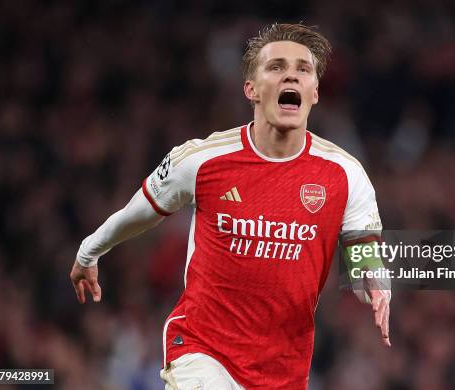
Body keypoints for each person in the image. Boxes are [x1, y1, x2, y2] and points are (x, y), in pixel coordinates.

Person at [70, 23, 391, 389]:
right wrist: (89, 250)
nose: (291, 74)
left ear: (314, 92)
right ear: (251, 90)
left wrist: (377, 284)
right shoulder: (201, 160)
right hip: (200, 350)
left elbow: (364, 251)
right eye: (276, 67)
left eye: (303, 69)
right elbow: (137, 213)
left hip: (284, 370)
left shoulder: (346, 174)